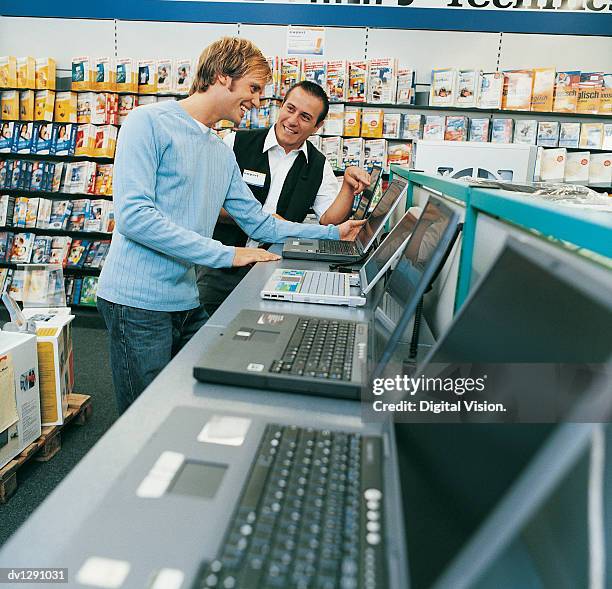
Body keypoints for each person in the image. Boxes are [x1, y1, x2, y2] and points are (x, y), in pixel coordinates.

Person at [96, 37, 364, 414]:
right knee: (144, 418)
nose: (257, 101)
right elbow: (135, 218)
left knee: (198, 399)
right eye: (253, 88)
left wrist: (332, 233)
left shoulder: (220, 151)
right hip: (137, 303)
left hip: (185, 299)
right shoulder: (148, 123)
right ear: (223, 77)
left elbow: (261, 223)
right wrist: (228, 254)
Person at [197, 80, 371, 315]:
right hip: (221, 267)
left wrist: (348, 188)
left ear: (317, 126)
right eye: (290, 109)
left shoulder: (318, 165)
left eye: (305, 117)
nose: (293, 121)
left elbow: (330, 221)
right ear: (281, 106)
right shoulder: (235, 143)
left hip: (276, 269)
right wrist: (263, 219)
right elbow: (209, 204)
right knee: (203, 335)